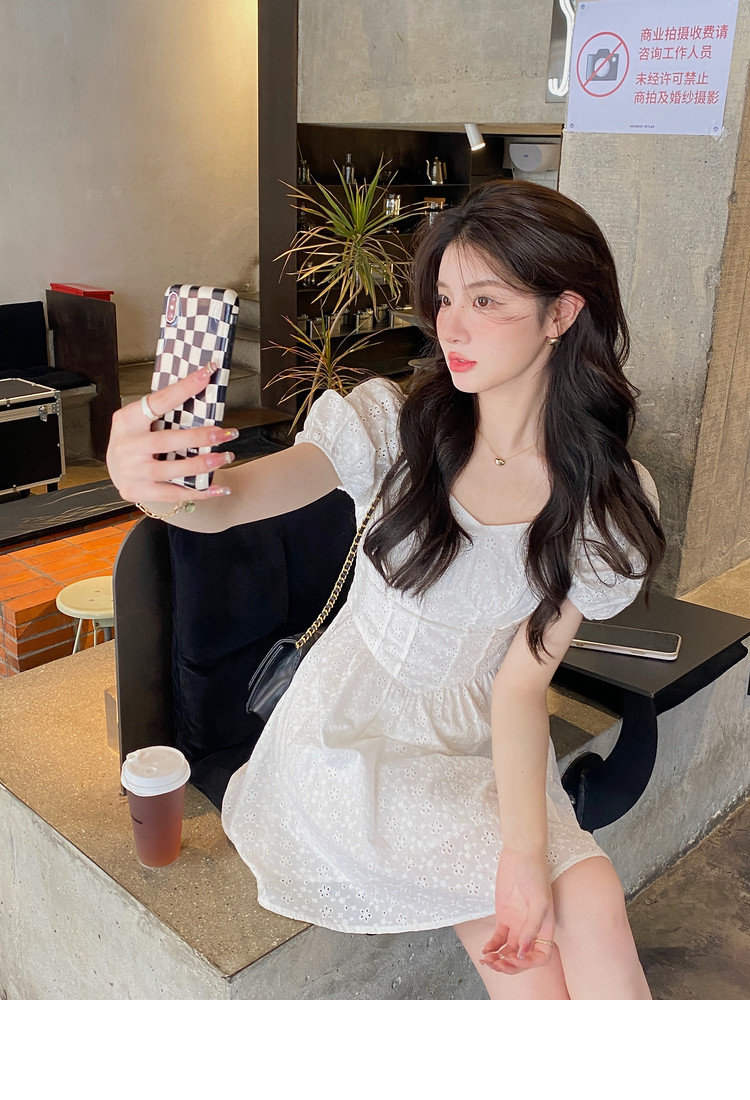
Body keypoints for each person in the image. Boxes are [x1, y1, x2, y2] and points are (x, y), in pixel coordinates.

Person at [107, 180, 665, 1000]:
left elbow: (519, 686)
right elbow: (224, 506)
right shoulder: (394, 429)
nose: (452, 326)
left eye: (485, 300)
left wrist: (523, 853)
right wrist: (151, 484)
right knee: (560, 916)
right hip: (351, 742)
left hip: (481, 742)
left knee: (589, 899)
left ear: (562, 313)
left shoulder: (602, 500)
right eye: (445, 298)